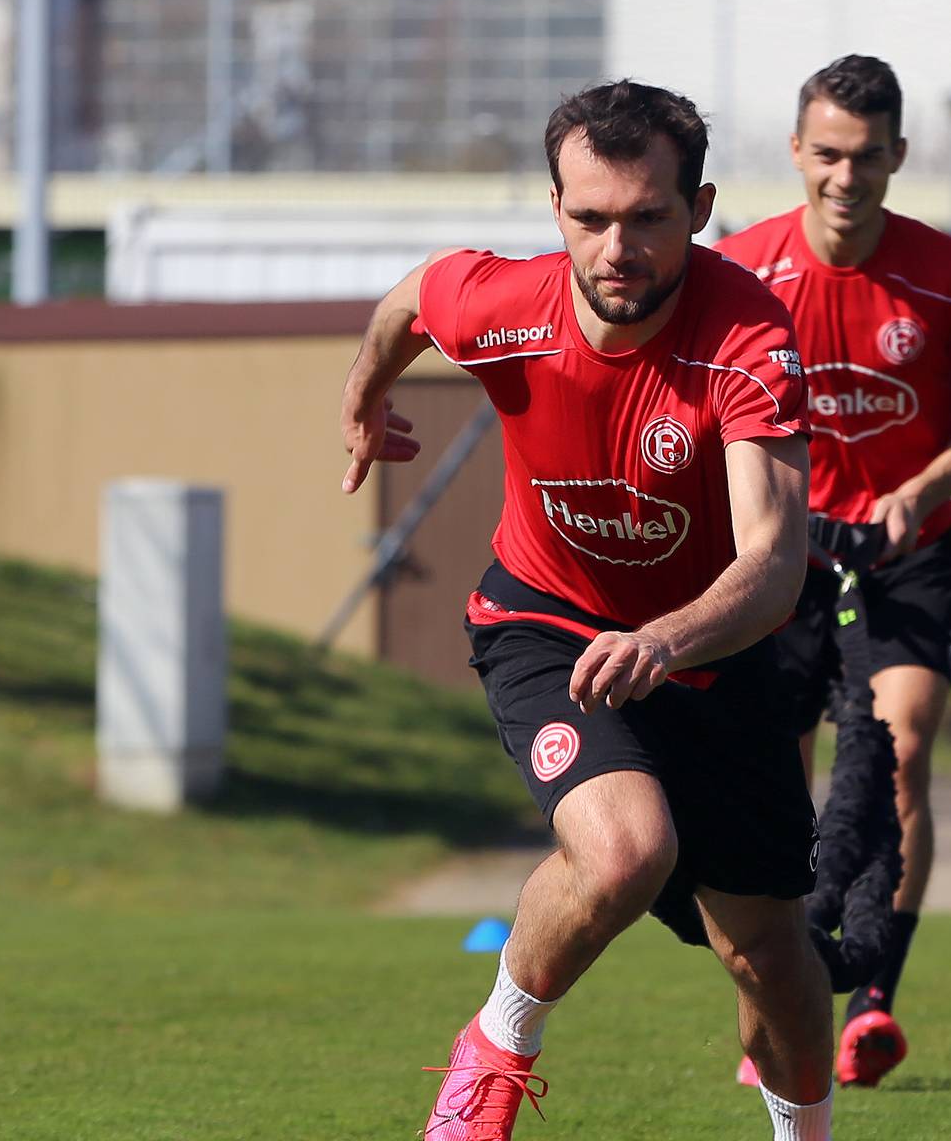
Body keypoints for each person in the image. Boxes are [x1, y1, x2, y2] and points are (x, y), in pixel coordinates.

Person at [338, 80, 836, 1140]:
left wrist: (664, 637)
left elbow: (775, 561)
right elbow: (411, 300)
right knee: (624, 848)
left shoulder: (748, 337)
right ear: (555, 207)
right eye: (591, 217)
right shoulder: (502, 303)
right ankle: (491, 1059)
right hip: (546, 623)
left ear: (698, 209)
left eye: (649, 217)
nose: (619, 248)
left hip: (713, 649)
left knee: (778, 969)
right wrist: (366, 393)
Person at [711, 54, 951, 1089]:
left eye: (867, 157)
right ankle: (772, 1016)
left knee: (899, 755)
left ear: (899, 155)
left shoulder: (948, 276)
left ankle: (875, 998)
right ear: (796, 152)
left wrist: (924, 486)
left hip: (907, 558)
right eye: (827, 155)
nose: (845, 177)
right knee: (774, 781)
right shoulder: (745, 272)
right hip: (782, 561)